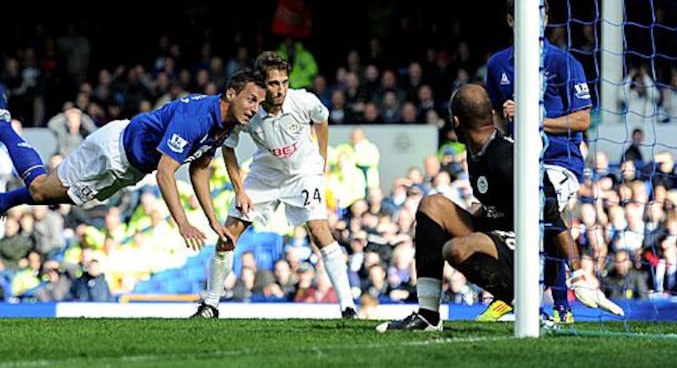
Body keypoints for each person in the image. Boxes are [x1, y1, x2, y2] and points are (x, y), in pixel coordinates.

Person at [375, 84, 622, 333]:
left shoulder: (511, 158)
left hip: (526, 252)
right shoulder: (476, 151)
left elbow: (554, 219)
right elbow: (500, 205)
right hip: (497, 236)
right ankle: (429, 317)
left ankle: (529, 309)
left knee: (455, 249)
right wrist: (481, 212)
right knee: (432, 204)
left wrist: (577, 274)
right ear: (491, 114)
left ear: (456, 122)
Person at [0, 69, 266, 252]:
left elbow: (200, 168)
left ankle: (5, 200)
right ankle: (3, 124)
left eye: (259, 103)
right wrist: (183, 223)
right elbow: (165, 173)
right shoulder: (197, 118)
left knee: (61, 196)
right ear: (231, 93)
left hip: (130, 168)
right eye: (251, 100)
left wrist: (213, 222)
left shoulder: (226, 123)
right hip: (113, 152)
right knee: (38, 189)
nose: (254, 109)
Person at [191, 52, 357, 319]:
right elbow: (229, 150)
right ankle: (211, 305)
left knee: (319, 231)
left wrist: (321, 160)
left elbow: (322, 118)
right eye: (273, 83)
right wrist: (239, 190)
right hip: (264, 176)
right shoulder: (249, 110)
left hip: (302, 174)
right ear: (261, 84)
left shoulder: (303, 100)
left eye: (284, 82)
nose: (280, 89)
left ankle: (348, 307)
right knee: (228, 236)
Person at [481, 0, 591, 323]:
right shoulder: (498, 64)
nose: (533, 20)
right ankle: (546, 305)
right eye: (524, 15)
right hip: (518, 161)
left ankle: (539, 297)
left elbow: (583, 120)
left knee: (541, 207)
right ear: (511, 20)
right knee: (494, 216)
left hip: (559, 161)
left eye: (538, 14)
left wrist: (531, 118)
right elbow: (497, 116)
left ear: (546, 18)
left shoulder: (563, 63)